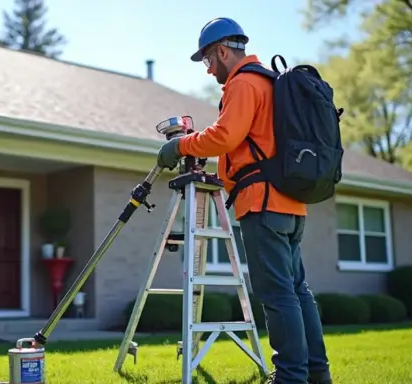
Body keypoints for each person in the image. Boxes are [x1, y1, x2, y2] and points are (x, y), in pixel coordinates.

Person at [156, 17, 332, 384]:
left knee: (278, 295)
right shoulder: (269, 81)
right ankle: (317, 375)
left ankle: (290, 378)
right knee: (298, 291)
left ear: (222, 51)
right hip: (290, 203)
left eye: (208, 60)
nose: (209, 70)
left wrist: (180, 145)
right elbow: (250, 144)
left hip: (262, 205)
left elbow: (225, 136)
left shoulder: (244, 83)